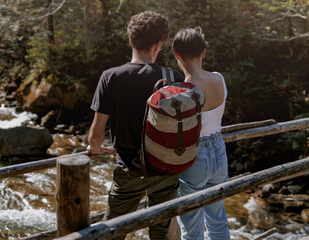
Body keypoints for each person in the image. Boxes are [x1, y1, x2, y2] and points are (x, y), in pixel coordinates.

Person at [87, 11, 185, 240]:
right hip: (166, 168)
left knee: (112, 231)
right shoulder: (174, 77)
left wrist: (93, 149)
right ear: (159, 44)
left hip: (130, 169)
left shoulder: (111, 77)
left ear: (130, 41)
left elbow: (96, 134)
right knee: (161, 232)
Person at [172, 28, 231, 240]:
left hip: (194, 156)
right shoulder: (219, 79)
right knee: (218, 220)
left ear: (176, 55)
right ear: (203, 52)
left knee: (192, 228)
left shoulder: (181, 91)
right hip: (219, 150)